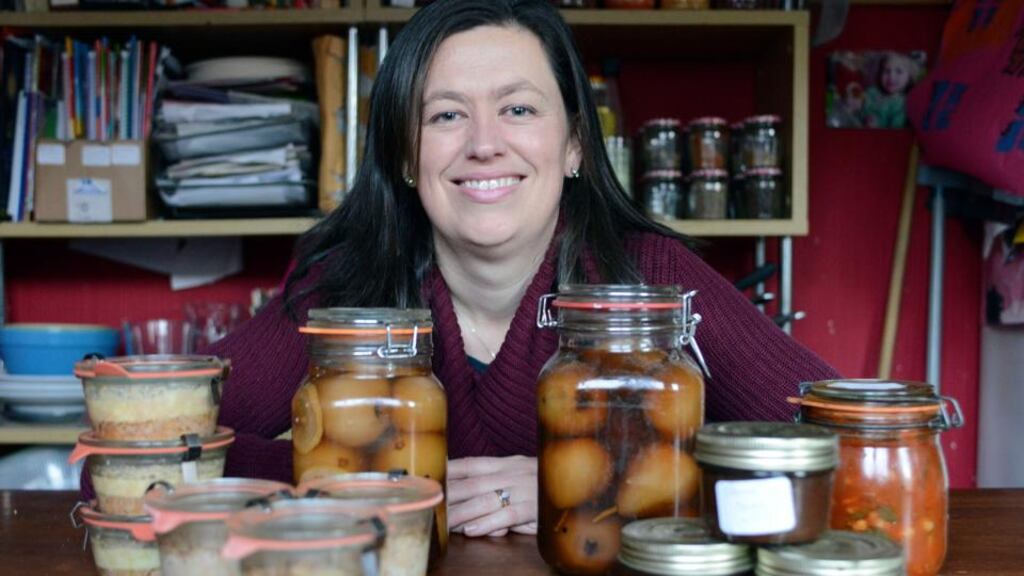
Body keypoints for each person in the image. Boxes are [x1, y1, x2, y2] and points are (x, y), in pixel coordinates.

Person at [208, 0, 838, 538]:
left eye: (518, 110)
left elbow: (844, 460)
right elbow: (146, 445)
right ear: (405, 153)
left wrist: (604, 490)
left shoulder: (651, 281)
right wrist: (364, 481)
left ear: (573, 145)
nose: (484, 143)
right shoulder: (345, 289)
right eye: (446, 114)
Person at [863, 51, 921, 129]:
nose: (891, 76)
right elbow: (859, 111)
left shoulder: (902, 105)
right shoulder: (871, 92)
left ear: (909, 78)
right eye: (887, 71)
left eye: (899, 71)